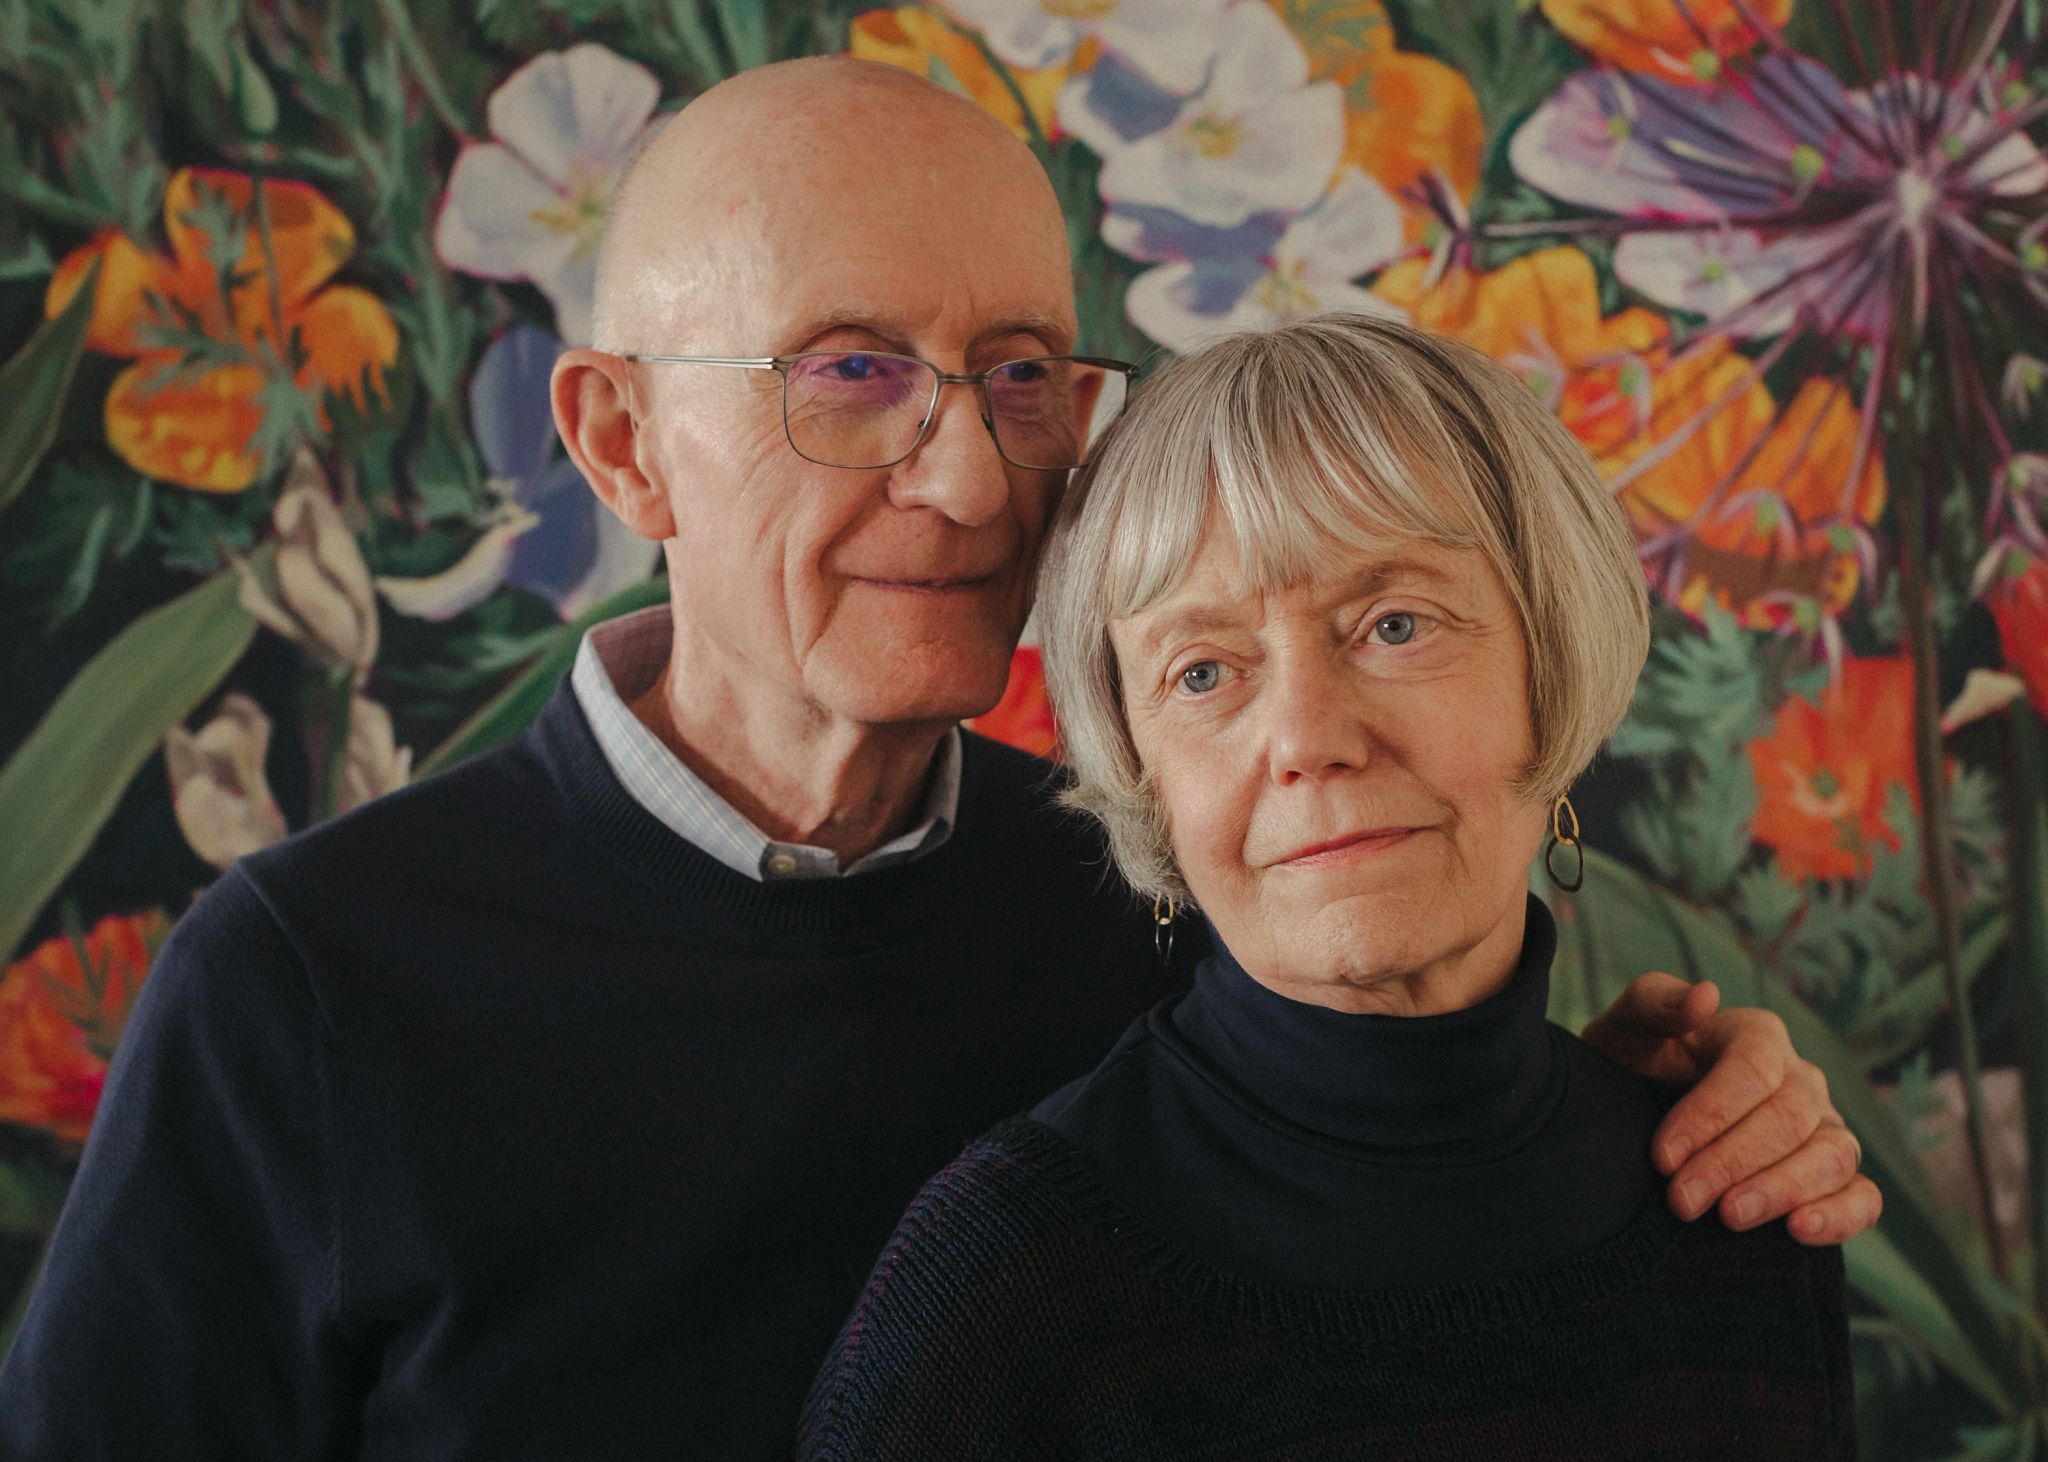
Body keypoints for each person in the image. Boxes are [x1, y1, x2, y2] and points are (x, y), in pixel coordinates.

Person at [0, 62, 1874, 1461]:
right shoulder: (306, 990)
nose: (975, 478)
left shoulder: (1162, 897)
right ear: (623, 445)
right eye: (847, 374)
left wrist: (1680, 1107)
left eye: (1019, 371)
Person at [799, 315, 1856, 1459]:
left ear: (1548, 670)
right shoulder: (1007, 1287)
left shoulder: (1744, 1200)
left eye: (1392, 624)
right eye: (1200, 671)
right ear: (1140, 770)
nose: (1304, 737)